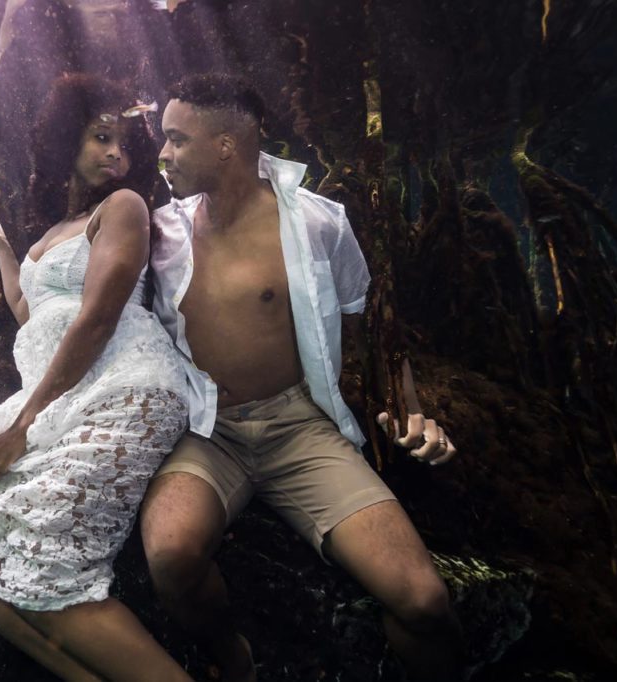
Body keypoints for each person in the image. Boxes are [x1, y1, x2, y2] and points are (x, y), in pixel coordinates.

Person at [141, 73, 465, 682]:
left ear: (226, 145)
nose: (162, 155)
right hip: (207, 432)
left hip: (300, 430)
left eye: (177, 139)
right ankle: (233, 657)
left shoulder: (321, 223)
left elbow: (375, 337)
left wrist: (414, 412)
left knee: (425, 603)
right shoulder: (160, 233)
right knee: (171, 556)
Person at [0, 74, 191, 682]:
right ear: (67, 138)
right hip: (62, 395)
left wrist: (24, 422)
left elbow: (95, 319)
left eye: (124, 144)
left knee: (54, 575)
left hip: (124, 386)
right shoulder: (49, 236)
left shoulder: (125, 208)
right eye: (100, 137)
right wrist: (1, 249)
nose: (115, 153)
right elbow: (29, 312)